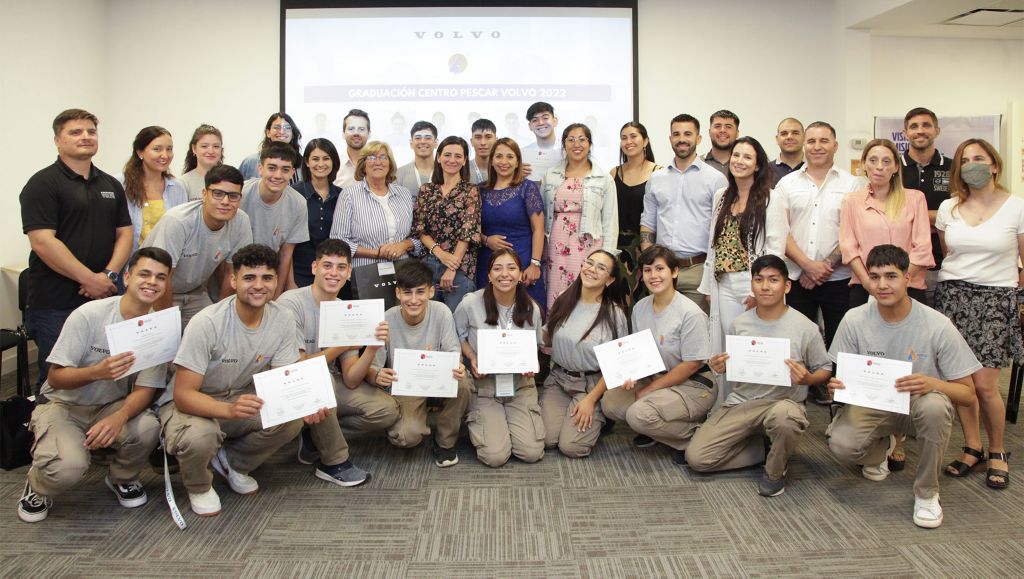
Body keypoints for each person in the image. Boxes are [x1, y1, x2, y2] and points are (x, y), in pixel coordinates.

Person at [826, 244, 981, 528]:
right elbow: (845, 380)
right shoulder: (855, 319)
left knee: (935, 405)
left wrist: (931, 383)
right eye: (874, 277)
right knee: (841, 445)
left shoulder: (937, 325)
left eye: (891, 276)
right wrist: (836, 388)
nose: (882, 285)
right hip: (874, 405)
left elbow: (968, 395)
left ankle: (926, 493)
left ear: (908, 278)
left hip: (918, 408)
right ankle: (884, 446)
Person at [17, 247, 173, 523]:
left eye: (160, 277)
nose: (152, 282)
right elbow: (55, 377)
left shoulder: (156, 327)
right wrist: (97, 372)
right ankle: (38, 484)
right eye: (145, 274)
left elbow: (146, 388)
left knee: (149, 426)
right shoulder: (90, 315)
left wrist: (119, 417)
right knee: (68, 467)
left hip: (109, 405)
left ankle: (121, 477)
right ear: (127, 276)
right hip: (64, 404)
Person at [159, 244, 313, 517]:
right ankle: (199, 485)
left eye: (267, 278)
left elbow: (282, 379)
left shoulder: (283, 318)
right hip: (193, 403)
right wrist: (228, 410)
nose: (259, 286)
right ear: (233, 280)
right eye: (249, 278)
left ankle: (233, 462)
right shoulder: (207, 322)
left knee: (292, 417)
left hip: (239, 395)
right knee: (199, 437)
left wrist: (306, 402)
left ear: (277, 281)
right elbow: (183, 394)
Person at [687, 255, 832, 497]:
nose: (765, 286)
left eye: (773, 280)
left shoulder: (805, 327)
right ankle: (766, 449)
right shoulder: (739, 324)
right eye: (759, 279)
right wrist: (720, 367)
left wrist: (808, 379)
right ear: (752, 284)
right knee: (698, 459)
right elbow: (738, 368)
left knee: (786, 418)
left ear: (786, 286)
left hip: (782, 404)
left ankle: (775, 470)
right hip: (743, 402)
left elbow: (824, 369)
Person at [20, 108, 133, 391]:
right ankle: (46, 432)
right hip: (56, 302)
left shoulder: (110, 185)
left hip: (105, 295)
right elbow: (43, 241)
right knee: (56, 378)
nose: (85, 137)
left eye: (91, 131)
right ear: (58, 140)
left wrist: (108, 276)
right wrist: (88, 279)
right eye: (75, 132)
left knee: (106, 371)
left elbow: (125, 233)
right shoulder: (42, 184)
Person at [935, 139, 1023, 490]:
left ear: (995, 165)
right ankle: (972, 446)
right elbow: (948, 253)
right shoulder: (948, 208)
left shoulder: (1017, 207)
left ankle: (997, 450)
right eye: (965, 160)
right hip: (954, 296)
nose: (972, 164)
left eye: (979, 159)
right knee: (961, 382)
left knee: (986, 385)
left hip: (995, 299)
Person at [601, 246, 715, 465]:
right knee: (611, 402)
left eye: (660, 269)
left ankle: (694, 436)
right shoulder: (641, 307)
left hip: (693, 384)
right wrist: (631, 374)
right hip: (657, 377)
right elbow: (639, 351)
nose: (653, 276)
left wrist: (649, 389)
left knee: (638, 414)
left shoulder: (690, 313)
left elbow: (692, 364)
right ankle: (658, 429)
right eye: (647, 270)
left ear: (674, 272)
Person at [277, 239, 375, 487]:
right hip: (292, 382)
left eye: (341, 267)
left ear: (349, 272)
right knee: (321, 378)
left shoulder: (345, 309)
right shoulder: (291, 303)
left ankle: (313, 433)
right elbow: (298, 366)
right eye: (327, 265)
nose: (334, 273)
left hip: (330, 386)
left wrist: (371, 348)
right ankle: (334, 462)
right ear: (314, 268)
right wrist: (342, 344)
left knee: (384, 411)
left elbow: (351, 378)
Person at [368, 260, 470, 467]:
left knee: (463, 383)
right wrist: (379, 374)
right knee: (406, 437)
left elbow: (454, 353)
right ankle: (418, 419)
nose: (414, 300)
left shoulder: (441, 312)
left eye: (420, 292)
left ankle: (445, 442)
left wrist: (456, 365)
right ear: (398, 293)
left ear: (431, 292)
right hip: (406, 386)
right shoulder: (386, 319)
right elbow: (374, 367)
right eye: (407, 293)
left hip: (438, 378)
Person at [698, 137, 787, 374]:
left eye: (747, 157)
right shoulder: (721, 196)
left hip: (752, 282)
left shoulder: (771, 198)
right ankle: (729, 403)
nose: (739, 161)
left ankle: (755, 403)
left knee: (753, 344)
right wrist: (708, 286)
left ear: (757, 165)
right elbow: (713, 244)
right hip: (723, 282)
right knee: (728, 345)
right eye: (736, 155)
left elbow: (776, 248)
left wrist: (758, 289)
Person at [455, 249, 545, 467]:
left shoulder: (531, 308)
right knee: (494, 457)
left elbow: (536, 346)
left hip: (520, 387)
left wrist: (531, 364)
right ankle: (484, 422)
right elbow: (457, 336)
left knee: (531, 453)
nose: (504, 274)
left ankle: (505, 425)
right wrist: (472, 357)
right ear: (488, 275)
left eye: (511, 268)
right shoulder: (470, 303)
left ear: (521, 273)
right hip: (484, 386)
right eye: (497, 268)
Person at [776, 121, 860, 349]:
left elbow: (852, 232)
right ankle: (805, 385)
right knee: (797, 344)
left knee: (840, 344)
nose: (817, 146)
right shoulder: (787, 183)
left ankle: (833, 385)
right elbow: (779, 229)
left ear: (835, 145)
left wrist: (822, 268)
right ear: (804, 145)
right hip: (796, 278)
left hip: (839, 280)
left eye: (824, 141)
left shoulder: (852, 184)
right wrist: (807, 266)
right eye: (811, 141)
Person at [540, 250, 629, 458]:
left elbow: (616, 366)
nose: (592, 270)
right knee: (545, 439)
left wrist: (591, 400)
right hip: (558, 380)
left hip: (590, 386)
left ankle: (601, 416)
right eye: (589, 263)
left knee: (571, 447)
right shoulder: (565, 299)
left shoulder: (614, 314)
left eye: (601, 267)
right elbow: (548, 337)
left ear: (610, 279)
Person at [141, 164, 253, 327]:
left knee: (215, 330)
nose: (225, 202)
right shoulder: (178, 221)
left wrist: (222, 316)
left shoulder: (241, 221)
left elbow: (232, 274)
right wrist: (167, 325)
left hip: (195, 293)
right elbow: (162, 276)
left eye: (233, 196)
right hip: (154, 289)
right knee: (164, 342)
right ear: (204, 194)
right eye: (218, 194)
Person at [640, 114, 727, 310]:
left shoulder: (716, 180)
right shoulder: (656, 178)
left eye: (688, 134)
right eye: (676, 134)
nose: (682, 139)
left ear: (698, 139)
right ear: (670, 138)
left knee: (694, 331)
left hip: (698, 270)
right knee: (662, 328)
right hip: (662, 270)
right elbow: (648, 222)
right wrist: (650, 260)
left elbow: (722, 230)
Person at [840, 138, 933, 307]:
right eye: (873, 160)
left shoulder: (915, 198)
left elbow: (923, 248)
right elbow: (848, 248)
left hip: (908, 287)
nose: (879, 167)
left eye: (886, 161)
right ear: (864, 164)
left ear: (896, 167)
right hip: (865, 288)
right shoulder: (851, 201)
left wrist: (899, 281)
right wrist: (870, 283)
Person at [542, 123, 618, 308]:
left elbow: (610, 221)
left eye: (582, 139)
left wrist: (607, 259)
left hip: (589, 247)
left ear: (590, 144)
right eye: (571, 139)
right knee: (556, 294)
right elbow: (542, 216)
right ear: (564, 145)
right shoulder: (550, 176)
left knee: (586, 295)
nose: (577, 144)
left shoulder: (603, 178)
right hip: (556, 247)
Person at [329, 141, 420, 271]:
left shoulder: (404, 194)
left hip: (402, 271)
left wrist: (404, 245)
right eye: (371, 157)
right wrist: (377, 253)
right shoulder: (349, 195)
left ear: (390, 163)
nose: (378, 162)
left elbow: (418, 235)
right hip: (365, 274)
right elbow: (338, 241)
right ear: (363, 165)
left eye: (383, 157)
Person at [414, 136, 482, 310]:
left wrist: (451, 267)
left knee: (457, 324)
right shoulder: (426, 190)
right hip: (428, 264)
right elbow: (420, 229)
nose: (452, 160)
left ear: (465, 160)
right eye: (447, 155)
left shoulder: (471, 190)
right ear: (438, 157)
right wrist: (440, 254)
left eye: (458, 156)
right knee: (428, 321)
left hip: (459, 267)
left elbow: (468, 232)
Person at [477, 137, 546, 308]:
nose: (504, 162)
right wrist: (486, 240)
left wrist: (535, 264)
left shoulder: (528, 188)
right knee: (488, 318)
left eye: (510, 157)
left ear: (517, 162)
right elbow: (468, 229)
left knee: (525, 318)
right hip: (488, 264)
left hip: (523, 265)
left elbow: (538, 229)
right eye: (499, 156)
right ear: (491, 161)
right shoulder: (479, 190)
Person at [240, 141, 309, 298]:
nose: (278, 175)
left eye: (285, 170)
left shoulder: (298, 203)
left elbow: (285, 255)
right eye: (272, 168)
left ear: (292, 173)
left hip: (269, 273)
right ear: (260, 168)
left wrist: (275, 297)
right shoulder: (241, 194)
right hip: (239, 269)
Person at [900, 107, 952, 305]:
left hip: (943, 265)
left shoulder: (953, 167)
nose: (920, 130)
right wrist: (937, 216)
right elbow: (887, 213)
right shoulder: (893, 167)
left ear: (937, 131)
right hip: (903, 265)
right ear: (905, 133)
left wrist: (914, 217)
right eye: (914, 126)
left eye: (926, 125)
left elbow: (960, 212)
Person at [119, 126, 188, 253]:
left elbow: (182, 230)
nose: (165, 155)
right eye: (157, 149)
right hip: (128, 265)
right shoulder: (119, 184)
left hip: (165, 262)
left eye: (169, 149)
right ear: (140, 152)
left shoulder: (177, 187)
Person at [610, 121, 660, 273]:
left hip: (647, 246)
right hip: (617, 246)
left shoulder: (659, 172)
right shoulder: (614, 172)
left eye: (633, 136)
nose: (628, 142)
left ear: (645, 141)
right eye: (624, 138)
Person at [292, 138, 342, 287]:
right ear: (307, 162)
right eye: (315, 159)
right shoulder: (294, 193)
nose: (321, 164)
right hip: (300, 273)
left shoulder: (342, 196)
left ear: (333, 162)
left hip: (333, 275)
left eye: (326, 158)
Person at [238, 112, 303, 182]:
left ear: (292, 134)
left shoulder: (301, 163)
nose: (281, 132)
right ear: (268, 132)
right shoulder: (250, 162)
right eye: (277, 127)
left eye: (287, 128)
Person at [180, 124, 224, 200]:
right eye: (204, 146)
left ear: (222, 150)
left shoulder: (230, 180)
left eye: (216, 146)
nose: (211, 151)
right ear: (194, 148)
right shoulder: (183, 183)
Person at [394, 121, 437, 196]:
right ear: (411, 143)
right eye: (418, 138)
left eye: (428, 138)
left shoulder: (445, 172)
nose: (423, 141)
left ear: (436, 143)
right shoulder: (399, 174)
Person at [521, 102, 561, 182]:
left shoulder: (568, 151)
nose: (541, 123)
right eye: (535, 120)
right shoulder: (523, 153)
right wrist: (516, 173)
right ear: (530, 126)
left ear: (555, 121)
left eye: (545, 118)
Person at [335, 109, 371, 188]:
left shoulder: (379, 164)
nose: (356, 133)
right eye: (351, 129)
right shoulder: (333, 165)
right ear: (343, 133)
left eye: (361, 129)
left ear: (369, 133)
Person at [703, 110, 739, 176]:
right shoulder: (698, 164)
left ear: (737, 133)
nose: (722, 130)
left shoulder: (744, 166)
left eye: (728, 127)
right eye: (717, 126)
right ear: (709, 132)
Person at [771, 118, 805, 185]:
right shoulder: (765, 171)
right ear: (777, 139)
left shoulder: (815, 168)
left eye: (795, 133)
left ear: (804, 137)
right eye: (784, 134)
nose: (789, 137)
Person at [468, 118, 497, 184]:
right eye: (478, 137)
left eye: (488, 137)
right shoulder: (463, 169)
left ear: (496, 141)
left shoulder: (504, 168)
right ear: (471, 141)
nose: (483, 143)